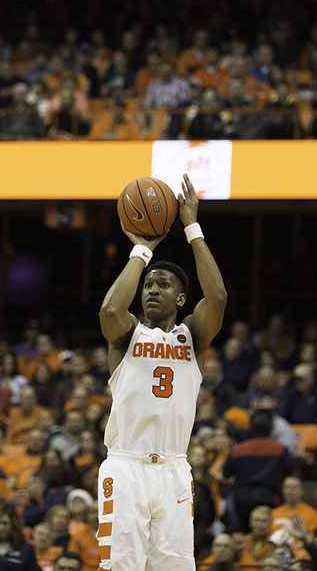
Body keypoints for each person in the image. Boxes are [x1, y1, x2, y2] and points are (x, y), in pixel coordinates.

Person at [97, 173, 227, 570]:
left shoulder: (194, 338)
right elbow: (108, 311)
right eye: (149, 285)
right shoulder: (126, 336)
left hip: (173, 468)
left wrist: (191, 226)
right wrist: (142, 252)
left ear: (181, 297)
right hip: (126, 464)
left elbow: (218, 297)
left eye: (163, 284)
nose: (152, 289)